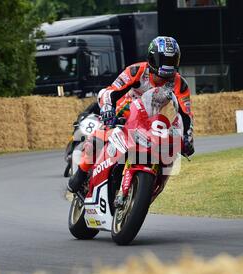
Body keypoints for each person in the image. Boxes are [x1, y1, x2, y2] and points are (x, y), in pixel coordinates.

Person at [68, 36, 195, 193]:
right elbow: (111, 90)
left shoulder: (180, 84)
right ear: (152, 58)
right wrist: (108, 108)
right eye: (163, 60)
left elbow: (186, 115)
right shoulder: (137, 71)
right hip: (122, 116)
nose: (168, 65)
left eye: (172, 60)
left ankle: (147, 188)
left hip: (151, 124)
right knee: (97, 139)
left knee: (167, 156)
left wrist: (187, 138)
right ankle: (81, 172)